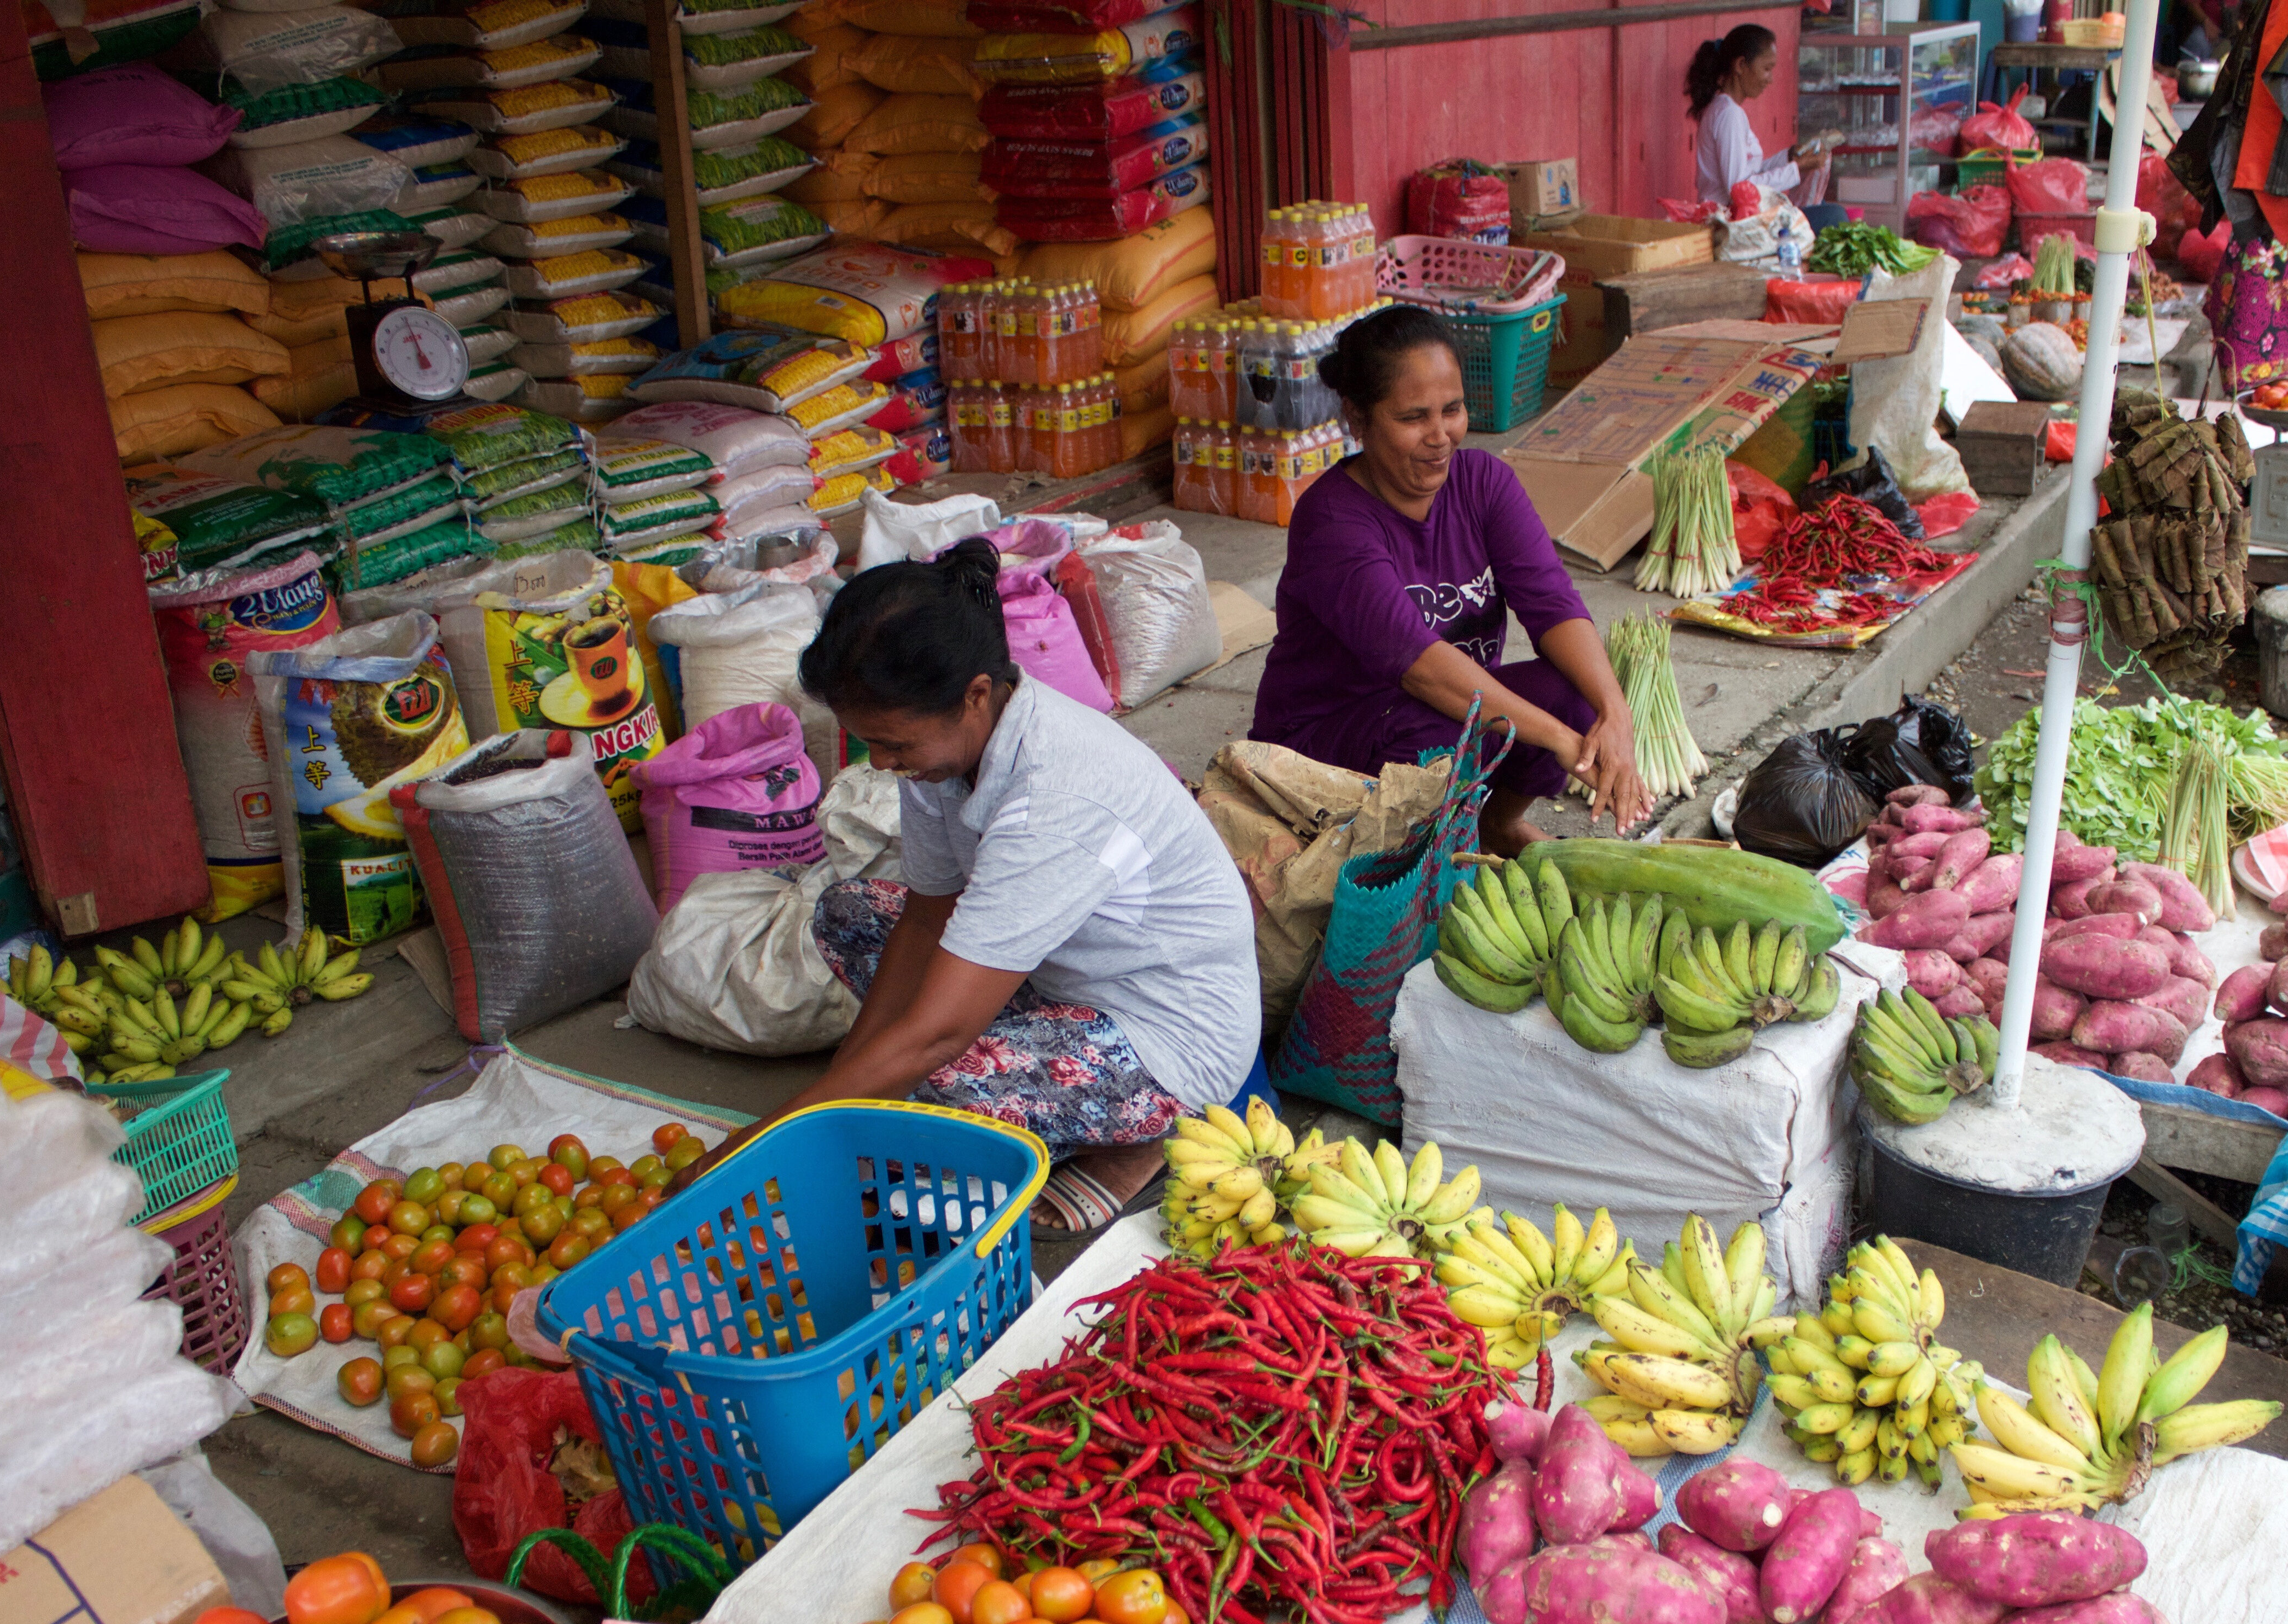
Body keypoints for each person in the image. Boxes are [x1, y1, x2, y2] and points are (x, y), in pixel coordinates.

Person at [696, 539, 1261, 1233]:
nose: (882, 763)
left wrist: (774, 1139)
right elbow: (927, 918)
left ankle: (1144, 1137)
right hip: (1062, 980)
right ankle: (1007, 1102)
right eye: (869, 742)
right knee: (849, 914)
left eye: (895, 744)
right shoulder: (949, 752)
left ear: (975, 696)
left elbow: (936, 1036)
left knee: (936, 1080)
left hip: (1166, 1035)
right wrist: (845, 1085)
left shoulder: (1058, 797)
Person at [1248, 305, 1647, 855]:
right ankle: (1425, 863)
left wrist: (1613, 713)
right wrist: (1558, 739)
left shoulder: (1483, 483)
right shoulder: (1332, 522)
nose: (1440, 437)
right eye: (1413, 418)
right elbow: (1422, 672)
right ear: (1357, 419)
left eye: (1452, 410)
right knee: (1445, 742)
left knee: (1569, 694)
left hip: (1439, 715)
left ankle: (1495, 825)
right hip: (1323, 741)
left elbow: (1552, 604)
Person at [1689, 24, 1804, 207]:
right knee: (1832, 214)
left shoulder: (1724, 108)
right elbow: (1739, 189)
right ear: (1741, 65)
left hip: (1727, 218)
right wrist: (1797, 169)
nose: (1770, 79)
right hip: (1726, 225)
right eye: (1767, 69)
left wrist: (1788, 158)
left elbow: (1750, 175)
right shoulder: (1729, 114)